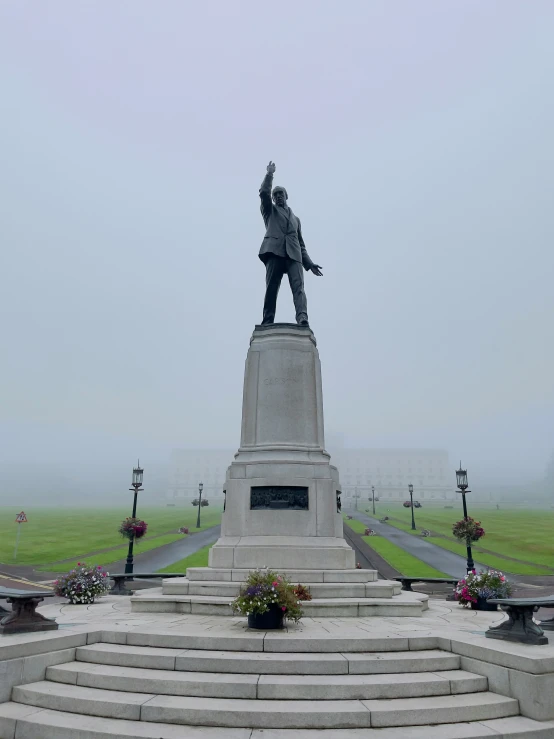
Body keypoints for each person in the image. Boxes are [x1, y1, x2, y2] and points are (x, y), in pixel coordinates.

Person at [258, 161, 322, 326]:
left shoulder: (296, 220)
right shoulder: (269, 211)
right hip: (274, 251)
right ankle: (267, 320)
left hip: (294, 255)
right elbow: (264, 192)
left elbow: (301, 244)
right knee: (272, 288)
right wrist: (269, 174)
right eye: (276, 194)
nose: (278, 196)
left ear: (286, 197)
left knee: (299, 288)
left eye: (281, 194)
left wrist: (309, 263)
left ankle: (302, 317)